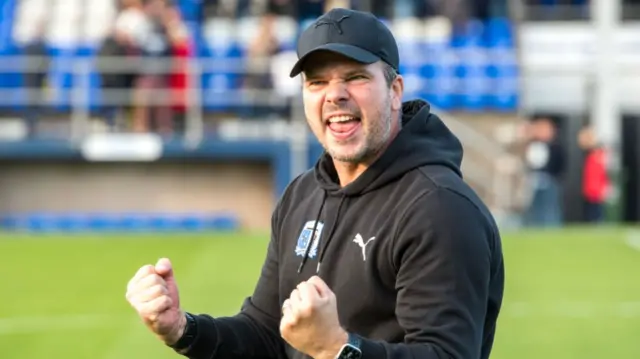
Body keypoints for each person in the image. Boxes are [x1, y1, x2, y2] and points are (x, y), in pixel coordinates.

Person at [125, 8, 505, 359]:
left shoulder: (438, 207)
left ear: (394, 91)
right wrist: (183, 329)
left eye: (355, 77)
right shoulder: (303, 194)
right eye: (317, 82)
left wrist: (338, 349)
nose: (334, 95)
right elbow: (264, 333)